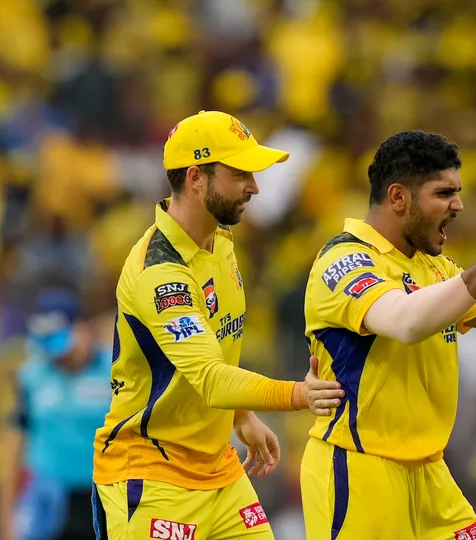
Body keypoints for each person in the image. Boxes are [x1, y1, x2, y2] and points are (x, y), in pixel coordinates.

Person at [300, 129, 476, 539]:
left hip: (430, 473)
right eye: (444, 193)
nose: (459, 205)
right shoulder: (344, 261)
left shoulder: (434, 267)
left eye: (458, 192)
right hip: (360, 469)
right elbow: (408, 322)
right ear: (398, 198)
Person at [91, 110, 344, 540]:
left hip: (218, 470)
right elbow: (210, 378)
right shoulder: (161, 273)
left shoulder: (219, 240)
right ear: (196, 178)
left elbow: (216, 344)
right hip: (151, 475)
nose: (254, 186)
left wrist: (241, 416)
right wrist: (300, 394)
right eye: (239, 173)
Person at [0, 289, 112, 540]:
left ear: (81, 328)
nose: (55, 354)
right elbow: (13, 447)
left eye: (59, 341)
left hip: (104, 496)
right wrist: (6, 518)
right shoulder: (31, 376)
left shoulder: (115, 371)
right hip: (47, 497)